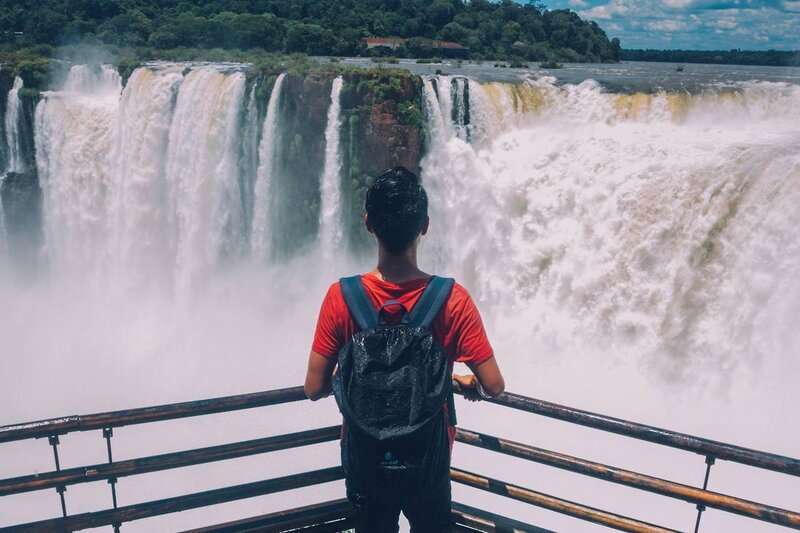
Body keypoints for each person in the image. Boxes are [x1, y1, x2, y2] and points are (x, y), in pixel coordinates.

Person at [304, 166, 505, 533]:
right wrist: (453, 379)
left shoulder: (341, 298)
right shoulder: (452, 301)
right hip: (427, 461)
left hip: (365, 461)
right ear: (424, 226)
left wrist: (355, 371)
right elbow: (493, 384)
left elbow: (314, 387)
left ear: (368, 224)